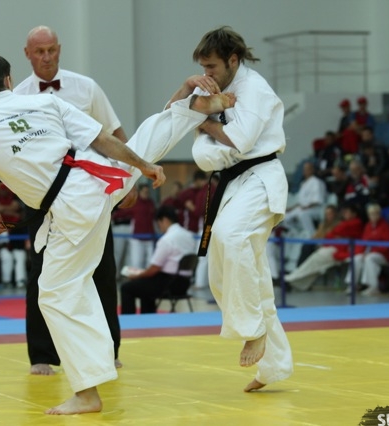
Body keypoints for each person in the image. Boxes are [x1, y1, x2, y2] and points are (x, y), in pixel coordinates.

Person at [0, 53, 232, 414]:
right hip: (99, 175)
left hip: (74, 207)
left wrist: (1, 155)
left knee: (54, 294)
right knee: (143, 141)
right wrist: (143, 166)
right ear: (9, 80)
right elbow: (102, 138)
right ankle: (189, 107)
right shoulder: (44, 101)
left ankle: (88, 391)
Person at [0, 25, 131, 375]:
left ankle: (108, 349)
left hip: (90, 189)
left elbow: (113, 132)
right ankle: (42, 354)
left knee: (102, 269)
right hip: (41, 195)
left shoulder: (86, 87)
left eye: (51, 50)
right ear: (27, 54)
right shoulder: (15, 97)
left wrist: (130, 175)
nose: (46, 57)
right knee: (41, 272)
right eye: (39, 51)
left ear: (60, 50)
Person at [166, 26, 293, 393]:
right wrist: (188, 88)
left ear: (233, 60)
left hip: (260, 178)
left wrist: (202, 119)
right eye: (202, 67)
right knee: (226, 275)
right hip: (232, 184)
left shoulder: (254, 90)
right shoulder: (209, 87)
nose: (207, 73)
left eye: (212, 66)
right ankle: (273, 367)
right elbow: (170, 114)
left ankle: (253, 331)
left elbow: (239, 139)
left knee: (231, 236)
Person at [120, 206, 196, 314]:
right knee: (145, 287)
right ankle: (148, 317)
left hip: (168, 284)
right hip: (185, 283)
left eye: (159, 223)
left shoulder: (167, 239)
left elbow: (154, 268)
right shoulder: (189, 236)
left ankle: (129, 321)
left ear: (164, 220)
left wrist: (137, 276)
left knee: (126, 288)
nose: (159, 227)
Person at [284, 203, 364, 291]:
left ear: (354, 214)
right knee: (312, 262)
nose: (345, 214)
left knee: (314, 262)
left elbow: (333, 236)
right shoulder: (328, 223)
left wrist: (334, 238)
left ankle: (290, 279)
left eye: (347, 212)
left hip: (339, 250)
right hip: (331, 247)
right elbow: (329, 236)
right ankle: (293, 280)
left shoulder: (351, 223)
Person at [344, 203, 389, 296]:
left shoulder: (385, 226)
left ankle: (373, 287)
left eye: (375, 213)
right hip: (369, 253)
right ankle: (352, 285)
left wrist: (370, 252)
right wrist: (361, 253)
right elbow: (364, 242)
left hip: (385, 254)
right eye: (371, 214)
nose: (373, 216)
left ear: (379, 214)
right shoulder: (368, 226)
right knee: (356, 258)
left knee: (370, 258)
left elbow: (387, 246)